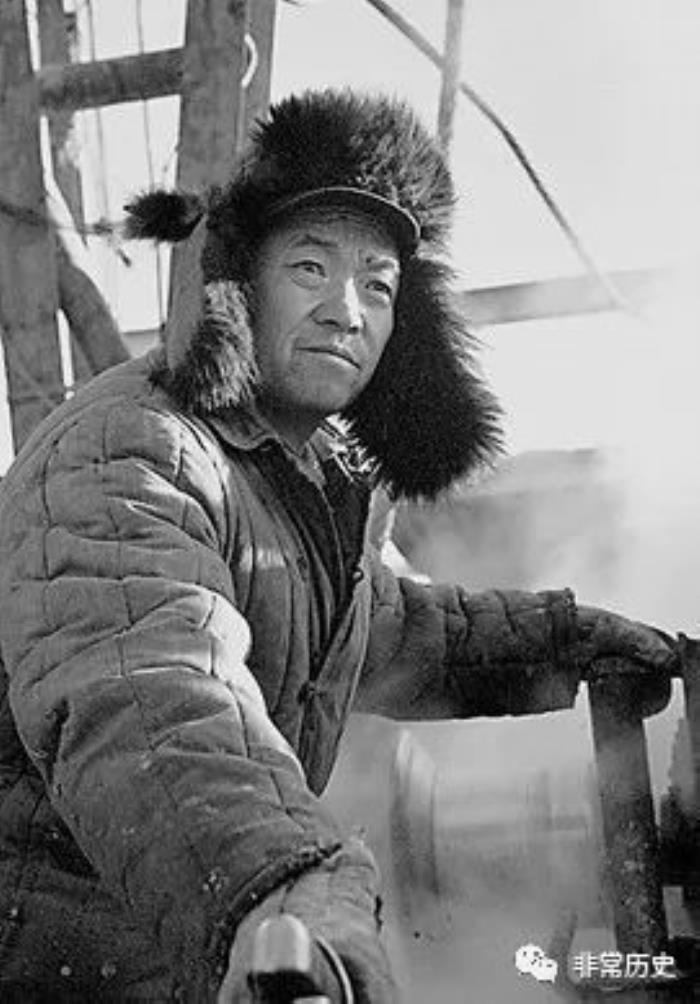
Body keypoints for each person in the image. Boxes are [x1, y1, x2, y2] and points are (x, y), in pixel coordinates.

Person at [0, 89, 676, 1002]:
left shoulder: (301, 481)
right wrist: (287, 886)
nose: (345, 311)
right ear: (239, 283)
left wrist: (564, 639)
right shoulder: (130, 450)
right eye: (310, 267)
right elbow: (152, 699)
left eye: (379, 286)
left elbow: (379, 627)